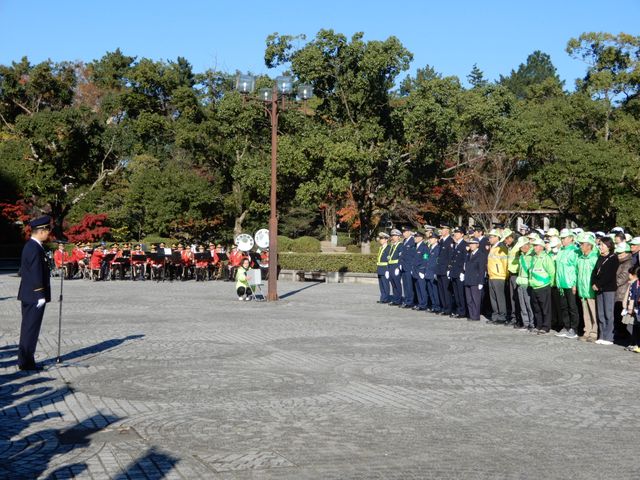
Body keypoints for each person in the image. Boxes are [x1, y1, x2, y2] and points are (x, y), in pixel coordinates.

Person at [17, 215, 52, 371]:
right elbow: (35, 273)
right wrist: (40, 294)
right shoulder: (33, 247)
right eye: (47, 230)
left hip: (30, 294)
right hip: (33, 296)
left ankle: (26, 360)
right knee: (30, 329)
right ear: (41, 231)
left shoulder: (34, 246)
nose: (49, 233)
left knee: (29, 328)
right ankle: (26, 362)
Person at [591, 237, 618, 345]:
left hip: (608, 289)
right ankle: (601, 335)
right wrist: (593, 283)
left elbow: (609, 275)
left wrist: (598, 284)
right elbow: (594, 272)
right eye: (600, 245)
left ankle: (609, 337)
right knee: (601, 313)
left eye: (602, 245)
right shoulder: (600, 257)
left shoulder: (613, 258)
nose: (600, 247)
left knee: (608, 312)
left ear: (609, 246)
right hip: (598, 288)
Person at [554, 229, 580, 339]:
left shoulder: (575, 251)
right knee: (563, 307)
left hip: (570, 283)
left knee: (572, 307)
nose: (562, 240)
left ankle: (574, 328)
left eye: (564, 238)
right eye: (561, 238)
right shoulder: (561, 250)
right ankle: (566, 326)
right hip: (561, 283)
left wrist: (574, 284)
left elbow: (577, 268)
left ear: (571, 238)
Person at [529, 238, 555, 334]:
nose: (534, 247)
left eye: (536, 246)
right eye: (534, 245)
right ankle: (538, 325)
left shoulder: (546, 257)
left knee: (545, 308)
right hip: (534, 286)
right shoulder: (534, 257)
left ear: (541, 247)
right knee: (537, 308)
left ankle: (546, 326)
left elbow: (551, 272)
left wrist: (549, 284)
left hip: (543, 286)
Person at [487, 229, 508, 324]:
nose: (489, 239)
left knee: (500, 297)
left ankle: (502, 316)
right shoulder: (493, 247)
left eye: (491, 237)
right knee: (493, 298)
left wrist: (504, 275)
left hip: (499, 276)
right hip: (492, 275)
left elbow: (505, 263)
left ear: (497, 237)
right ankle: (495, 315)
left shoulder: (501, 247)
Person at [514, 237, 536, 332]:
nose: (520, 249)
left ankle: (532, 323)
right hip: (520, 282)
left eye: (521, 247)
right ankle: (525, 323)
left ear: (527, 246)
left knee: (529, 305)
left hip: (527, 283)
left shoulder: (532, 255)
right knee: (522, 305)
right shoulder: (522, 255)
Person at [614, 243, 633, 343]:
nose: (618, 255)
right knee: (619, 315)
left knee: (624, 316)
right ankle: (621, 333)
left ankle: (626, 335)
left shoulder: (627, 263)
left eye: (620, 253)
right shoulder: (620, 262)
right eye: (618, 253)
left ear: (626, 253)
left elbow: (622, 278)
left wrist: (612, 284)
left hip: (623, 293)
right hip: (619, 292)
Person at [463, 238, 486, 321]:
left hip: (476, 280)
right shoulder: (469, 254)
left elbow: (481, 269)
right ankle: (471, 314)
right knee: (469, 299)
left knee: (475, 299)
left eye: (473, 243)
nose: (471, 245)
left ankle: (475, 316)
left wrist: (481, 282)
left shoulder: (481, 255)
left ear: (477, 245)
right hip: (468, 279)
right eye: (470, 244)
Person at [448, 227, 467, 318]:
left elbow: (465, 260)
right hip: (454, 272)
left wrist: (463, 272)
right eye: (455, 233)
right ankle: (458, 310)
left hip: (460, 273)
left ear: (462, 234)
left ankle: (462, 311)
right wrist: (450, 270)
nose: (456, 234)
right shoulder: (456, 244)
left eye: (458, 233)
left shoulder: (464, 245)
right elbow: (453, 260)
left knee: (460, 293)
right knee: (455, 293)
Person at [436, 224, 454, 315]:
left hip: (445, 269)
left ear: (447, 230)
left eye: (442, 229)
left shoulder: (450, 241)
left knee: (446, 291)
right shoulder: (442, 241)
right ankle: (443, 307)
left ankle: (448, 308)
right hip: (439, 269)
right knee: (441, 290)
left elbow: (450, 256)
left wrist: (449, 268)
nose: (441, 231)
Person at [398, 226, 416, 308]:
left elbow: (413, 256)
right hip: (404, 266)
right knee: (405, 285)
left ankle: (410, 301)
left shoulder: (413, 241)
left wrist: (412, 267)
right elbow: (402, 254)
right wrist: (400, 264)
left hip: (409, 267)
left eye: (405, 232)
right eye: (403, 232)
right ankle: (406, 300)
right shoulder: (405, 241)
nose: (403, 233)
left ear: (409, 232)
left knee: (409, 285)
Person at [412, 230, 429, 310]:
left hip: (420, 271)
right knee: (417, 288)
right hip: (415, 270)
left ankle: (423, 304)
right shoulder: (415, 246)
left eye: (416, 237)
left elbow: (425, 259)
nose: (415, 238)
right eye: (415, 237)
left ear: (421, 238)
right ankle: (420, 303)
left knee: (422, 288)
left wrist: (422, 271)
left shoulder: (424, 247)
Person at [425, 232, 441, 313]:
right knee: (430, 291)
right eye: (430, 238)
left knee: (435, 291)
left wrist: (436, 272)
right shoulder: (429, 248)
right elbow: (425, 257)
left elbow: (438, 262)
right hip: (427, 272)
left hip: (433, 272)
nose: (430, 240)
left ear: (436, 239)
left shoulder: (438, 249)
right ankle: (433, 305)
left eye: (431, 238)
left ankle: (437, 307)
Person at [386, 229, 403, 305]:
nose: (393, 237)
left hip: (396, 267)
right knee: (393, 284)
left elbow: (401, 257)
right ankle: (395, 299)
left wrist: (398, 267)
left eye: (395, 236)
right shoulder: (392, 246)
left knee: (397, 284)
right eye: (392, 236)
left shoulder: (400, 245)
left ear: (399, 237)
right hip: (390, 267)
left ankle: (398, 300)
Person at [375, 232, 391, 304]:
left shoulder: (389, 248)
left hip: (385, 269)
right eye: (380, 238)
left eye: (382, 238)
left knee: (385, 285)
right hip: (380, 268)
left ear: (386, 240)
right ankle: (382, 298)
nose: (380, 240)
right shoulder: (381, 248)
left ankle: (386, 299)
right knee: (381, 285)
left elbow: (389, 260)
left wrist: (388, 270)